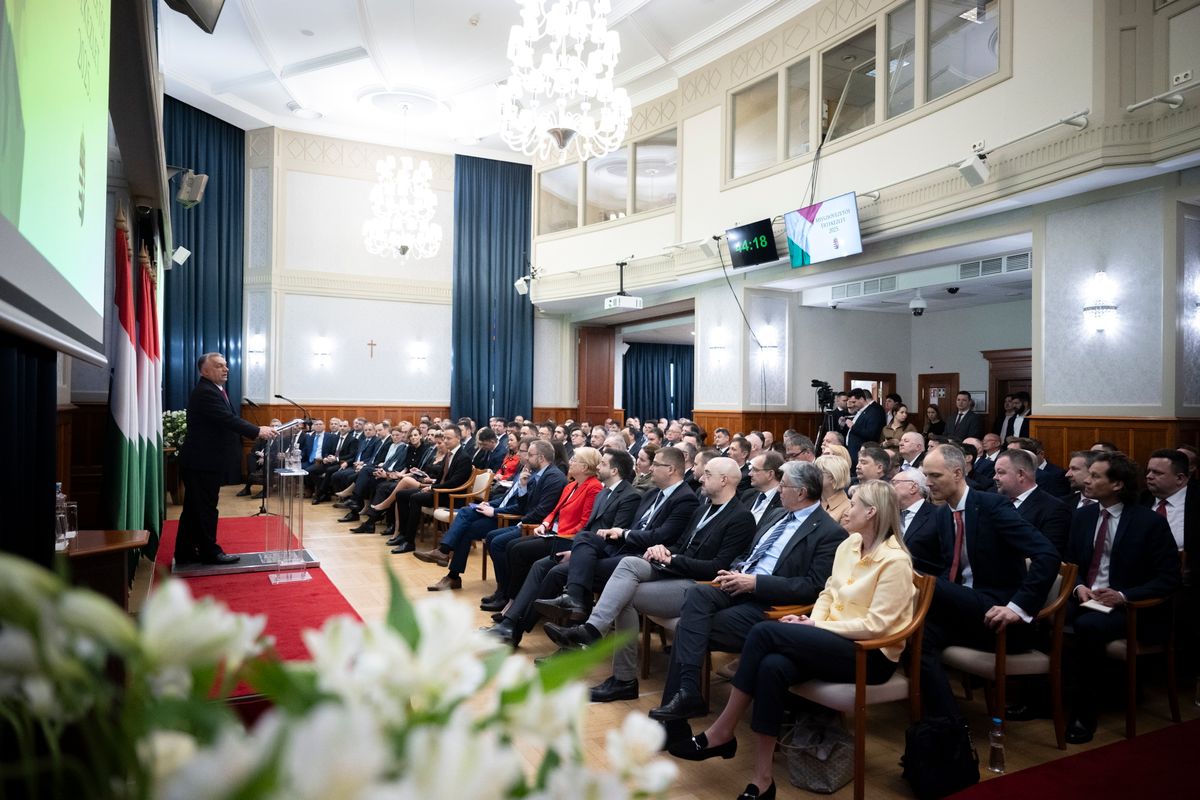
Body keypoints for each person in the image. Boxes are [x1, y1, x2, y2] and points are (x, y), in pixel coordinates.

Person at [669, 480, 915, 800]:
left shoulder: (895, 560)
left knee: (763, 632)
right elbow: (828, 593)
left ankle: (722, 731)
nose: (845, 510)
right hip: (833, 638)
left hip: (871, 654)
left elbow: (878, 626)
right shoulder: (849, 545)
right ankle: (762, 780)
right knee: (772, 666)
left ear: (871, 512)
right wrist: (812, 621)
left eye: (853, 504)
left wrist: (815, 627)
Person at [650, 461, 846, 723]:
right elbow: (747, 552)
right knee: (696, 596)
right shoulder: (777, 516)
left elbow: (812, 586)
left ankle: (683, 702)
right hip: (738, 587)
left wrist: (756, 583)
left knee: (690, 625)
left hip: (770, 604)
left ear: (801, 492)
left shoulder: (829, 532)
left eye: (784, 485)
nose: (778, 491)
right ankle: (687, 693)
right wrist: (734, 571)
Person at [917, 444, 1059, 720]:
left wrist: (1017, 607)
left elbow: (1047, 554)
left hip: (997, 612)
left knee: (921, 583)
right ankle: (949, 725)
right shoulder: (943, 513)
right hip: (963, 611)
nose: (928, 483)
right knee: (918, 637)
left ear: (958, 473)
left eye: (935, 475)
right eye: (925, 475)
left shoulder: (992, 506)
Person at [1064, 451, 1180, 743]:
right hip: (1086, 597)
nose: (1087, 481)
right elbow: (1070, 564)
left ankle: (1083, 715)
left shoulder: (1148, 522)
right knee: (1041, 614)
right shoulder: (1084, 515)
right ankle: (1048, 699)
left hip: (1130, 609)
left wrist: (1123, 595)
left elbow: (1168, 579)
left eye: (1095, 476)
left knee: (1087, 627)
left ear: (1117, 485)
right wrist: (1078, 587)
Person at [174, 353, 277, 565]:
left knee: (195, 508)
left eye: (226, 366)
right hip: (202, 462)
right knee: (205, 508)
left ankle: (185, 551)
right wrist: (257, 430)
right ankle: (209, 552)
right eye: (219, 366)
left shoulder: (214, 390)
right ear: (205, 371)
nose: (226, 369)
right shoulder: (206, 392)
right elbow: (227, 419)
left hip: (202, 461)